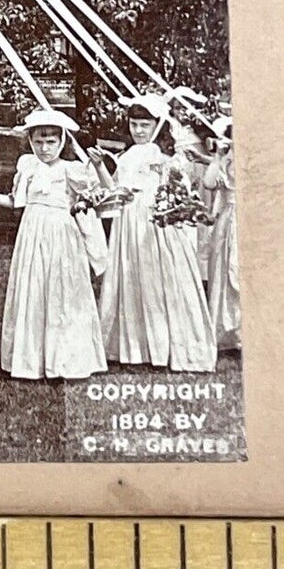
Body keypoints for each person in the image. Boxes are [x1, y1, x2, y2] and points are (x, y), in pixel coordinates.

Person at [0, 108, 109, 380]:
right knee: (34, 288)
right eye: (38, 142)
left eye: (50, 142)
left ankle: (66, 360)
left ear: (62, 142)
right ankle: (31, 359)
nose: (44, 148)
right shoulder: (28, 167)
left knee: (62, 291)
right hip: (32, 232)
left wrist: (98, 166)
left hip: (62, 235)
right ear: (30, 142)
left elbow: (104, 195)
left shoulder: (71, 170)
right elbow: (15, 201)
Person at [95, 94, 217, 373]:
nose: (138, 131)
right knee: (132, 278)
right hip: (129, 222)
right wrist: (101, 166)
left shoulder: (166, 158)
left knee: (157, 278)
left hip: (155, 224)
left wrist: (166, 171)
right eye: (134, 124)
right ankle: (136, 348)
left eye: (144, 125)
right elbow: (113, 191)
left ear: (157, 126)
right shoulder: (127, 156)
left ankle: (166, 346)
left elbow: (180, 190)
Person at [201, 116, 240, 351]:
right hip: (227, 220)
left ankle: (245, 332)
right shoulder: (225, 159)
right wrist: (217, 156)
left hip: (244, 218)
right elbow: (208, 183)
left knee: (239, 272)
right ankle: (227, 332)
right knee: (224, 271)